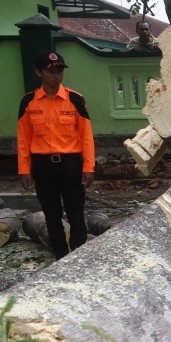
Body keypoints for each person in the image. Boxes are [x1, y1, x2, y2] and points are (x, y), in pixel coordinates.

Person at [17, 52, 95, 260]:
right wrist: (24, 169)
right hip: (42, 167)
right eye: (51, 71)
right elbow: (23, 138)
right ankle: (60, 256)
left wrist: (89, 167)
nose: (56, 76)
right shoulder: (28, 102)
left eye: (59, 71)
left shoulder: (75, 99)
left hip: (70, 165)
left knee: (76, 214)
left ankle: (78, 255)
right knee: (52, 215)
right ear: (39, 72)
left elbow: (86, 136)